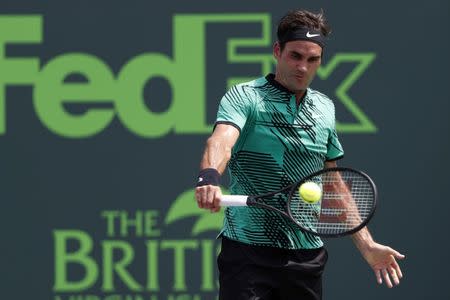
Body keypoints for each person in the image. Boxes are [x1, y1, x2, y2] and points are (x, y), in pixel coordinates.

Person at [195, 9, 405, 300]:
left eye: (312, 59)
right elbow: (221, 141)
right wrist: (208, 177)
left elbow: (332, 182)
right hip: (247, 254)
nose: (303, 67)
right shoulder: (245, 97)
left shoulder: (325, 108)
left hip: (306, 257)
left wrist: (367, 244)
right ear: (277, 51)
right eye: (295, 56)